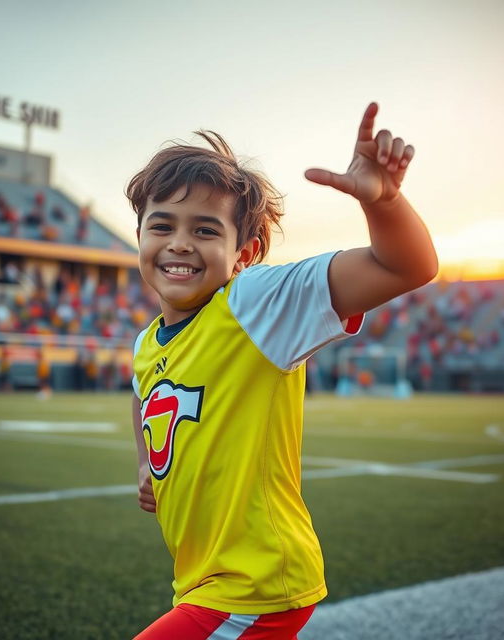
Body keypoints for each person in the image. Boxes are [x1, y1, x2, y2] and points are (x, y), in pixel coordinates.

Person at [127, 102, 438, 639]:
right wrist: (145, 463)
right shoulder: (147, 342)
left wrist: (385, 202)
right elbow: (142, 391)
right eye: (162, 225)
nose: (179, 242)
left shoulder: (253, 305)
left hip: (254, 583)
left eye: (204, 230)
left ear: (244, 254)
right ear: (139, 236)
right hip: (206, 579)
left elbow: (407, 265)